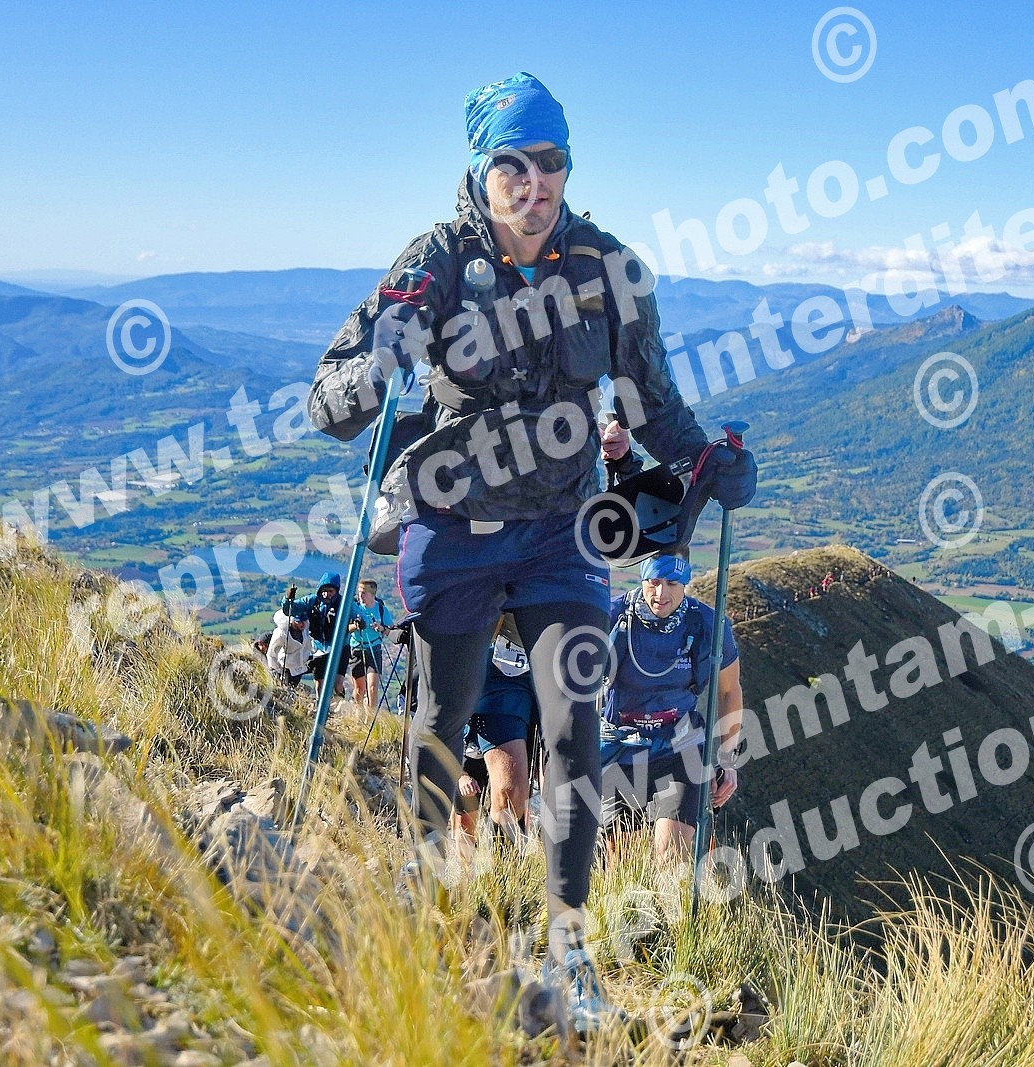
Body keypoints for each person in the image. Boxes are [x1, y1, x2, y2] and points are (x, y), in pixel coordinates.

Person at [306, 72, 756, 1029]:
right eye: (512, 163)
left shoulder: (606, 268)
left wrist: (706, 460)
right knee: (442, 714)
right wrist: (376, 371)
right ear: (481, 169)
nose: (533, 182)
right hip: (454, 524)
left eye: (550, 162)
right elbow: (330, 396)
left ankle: (569, 949)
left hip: (559, 530)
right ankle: (423, 898)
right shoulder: (435, 261)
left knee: (575, 723)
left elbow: (656, 404)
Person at [600, 554, 742, 866]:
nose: (661, 593)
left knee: (671, 856)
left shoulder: (708, 624)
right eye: (653, 582)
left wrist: (728, 761)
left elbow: (729, 690)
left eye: (672, 584)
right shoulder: (612, 616)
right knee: (622, 863)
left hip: (682, 745)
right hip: (621, 747)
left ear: (685, 584)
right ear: (642, 579)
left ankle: (667, 898)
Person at [454, 613, 536, 860]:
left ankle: (504, 871)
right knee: (473, 808)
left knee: (519, 796)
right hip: (493, 676)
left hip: (545, 672)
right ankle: (475, 872)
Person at [289, 573, 348, 700]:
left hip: (341, 647)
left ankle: (340, 707)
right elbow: (291, 609)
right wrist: (289, 600)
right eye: (324, 590)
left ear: (336, 591)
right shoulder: (312, 601)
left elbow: (358, 615)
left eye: (331, 591)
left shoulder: (344, 603)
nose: (327, 594)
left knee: (337, 685)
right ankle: (321, 708)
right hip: (320, 648)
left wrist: (360, 622)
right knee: (320, 685)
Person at [348, 578, 395, 717]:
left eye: (364, 593)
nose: (360, 595)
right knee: (359, 688)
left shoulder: (381, 609)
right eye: (359, 592)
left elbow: (390, 630)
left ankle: (371, 718)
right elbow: (345, 628)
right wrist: (356, 626)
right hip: (357, 648)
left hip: (374, 648)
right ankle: (358, 714)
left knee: (373, 687)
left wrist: (381, 628)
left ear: (372, 594)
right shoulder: (354, 607)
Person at [266, 610, 312, 690]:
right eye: (299, 622)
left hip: (299, 665)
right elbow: (271, 653)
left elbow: (307, 644)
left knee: (293, 688)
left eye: (304, 621)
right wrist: (274, 670)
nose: (302, 624)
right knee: (287, 689)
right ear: (292, 621)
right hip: (286, 667)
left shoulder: (305, 628)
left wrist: (306, 657)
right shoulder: (282, 633)